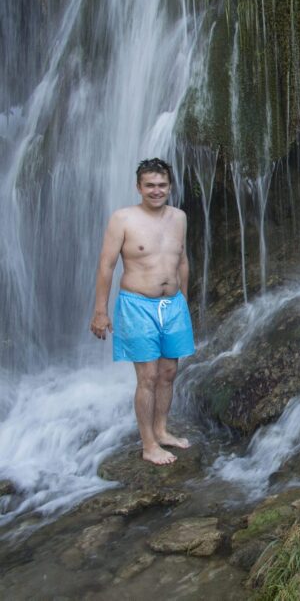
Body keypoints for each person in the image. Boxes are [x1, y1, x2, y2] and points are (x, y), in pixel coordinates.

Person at [90, 158, 195, 466]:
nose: (156, 190)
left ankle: (161, 430)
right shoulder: (123, 219)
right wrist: (100, 311)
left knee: (168, 373)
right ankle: (148, 444)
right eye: (149, 185)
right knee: (147, 376)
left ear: (170, 187)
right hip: (137, 305)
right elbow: (106, 266)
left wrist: (184, 301)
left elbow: (182, 261)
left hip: (173, 305)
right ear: (139, 187)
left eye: (162, 185)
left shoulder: (179, 218)